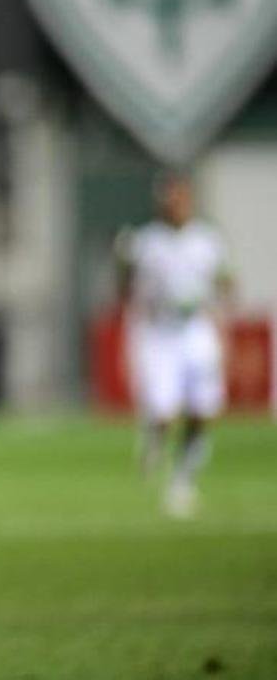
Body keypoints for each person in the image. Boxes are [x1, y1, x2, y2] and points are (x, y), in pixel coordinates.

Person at [118, 172, 232, 518]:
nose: (176, 206)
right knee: (166, 412)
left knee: (201, 411)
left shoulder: (207, 240)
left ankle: (183, 480)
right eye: (170, 200)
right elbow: (125, 285)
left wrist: (220, 312)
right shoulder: (146, 242)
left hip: (196, 329)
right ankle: (154, 435)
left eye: (180, 199)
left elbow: (225, 280)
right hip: (160, 331)